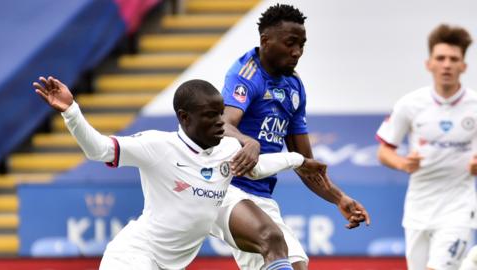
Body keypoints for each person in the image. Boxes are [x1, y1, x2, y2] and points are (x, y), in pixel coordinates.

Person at [33, 76, 338, 270]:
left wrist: (298, 160)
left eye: (221, 112)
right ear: (184, 117)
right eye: (210, 116)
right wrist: (71, 112)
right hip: (133, 257)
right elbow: (98, 149)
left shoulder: (227, 150)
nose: (221, 122)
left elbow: (259, 168)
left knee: (272, 236)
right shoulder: (157, 145)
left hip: (173, 264)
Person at [210, 4, 371, 270]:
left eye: (302, 45)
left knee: (296, 265)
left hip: (261, 198)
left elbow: (306, 163)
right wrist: (248, 141)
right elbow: (223, 124)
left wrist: (339, 198)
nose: (297, 52)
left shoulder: (294, 87)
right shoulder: (245, 74)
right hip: (227, 188)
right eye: (290, 43)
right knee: (271, 241)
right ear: (265, 41)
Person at [376, 24, 477, 270]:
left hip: (459, 208)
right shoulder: (410, 104)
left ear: (463, 66)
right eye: (440, 58)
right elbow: (384, 151)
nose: (447, 64)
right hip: (418, 208)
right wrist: (403, 163)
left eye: (454, 59)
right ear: (429, 63)